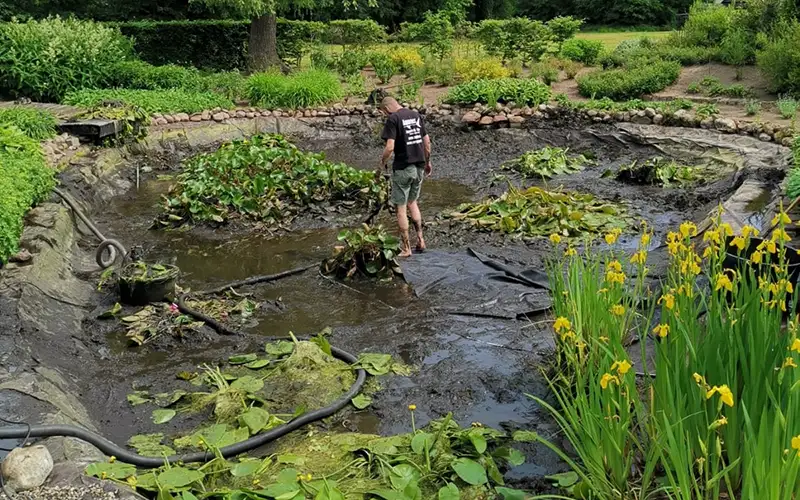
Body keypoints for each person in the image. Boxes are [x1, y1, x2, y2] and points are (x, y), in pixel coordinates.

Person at [378, 96, 432, 258]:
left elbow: (390, 147)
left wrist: (381, 164)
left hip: (403, 167)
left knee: (400, 208)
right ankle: (421, 240)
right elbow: (427, 142)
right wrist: (427, 162)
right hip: (419, 166)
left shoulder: (393, 119)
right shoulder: (415, 115)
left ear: (386, 109)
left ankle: (406, 248)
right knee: (412, 202)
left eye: (384, 113)